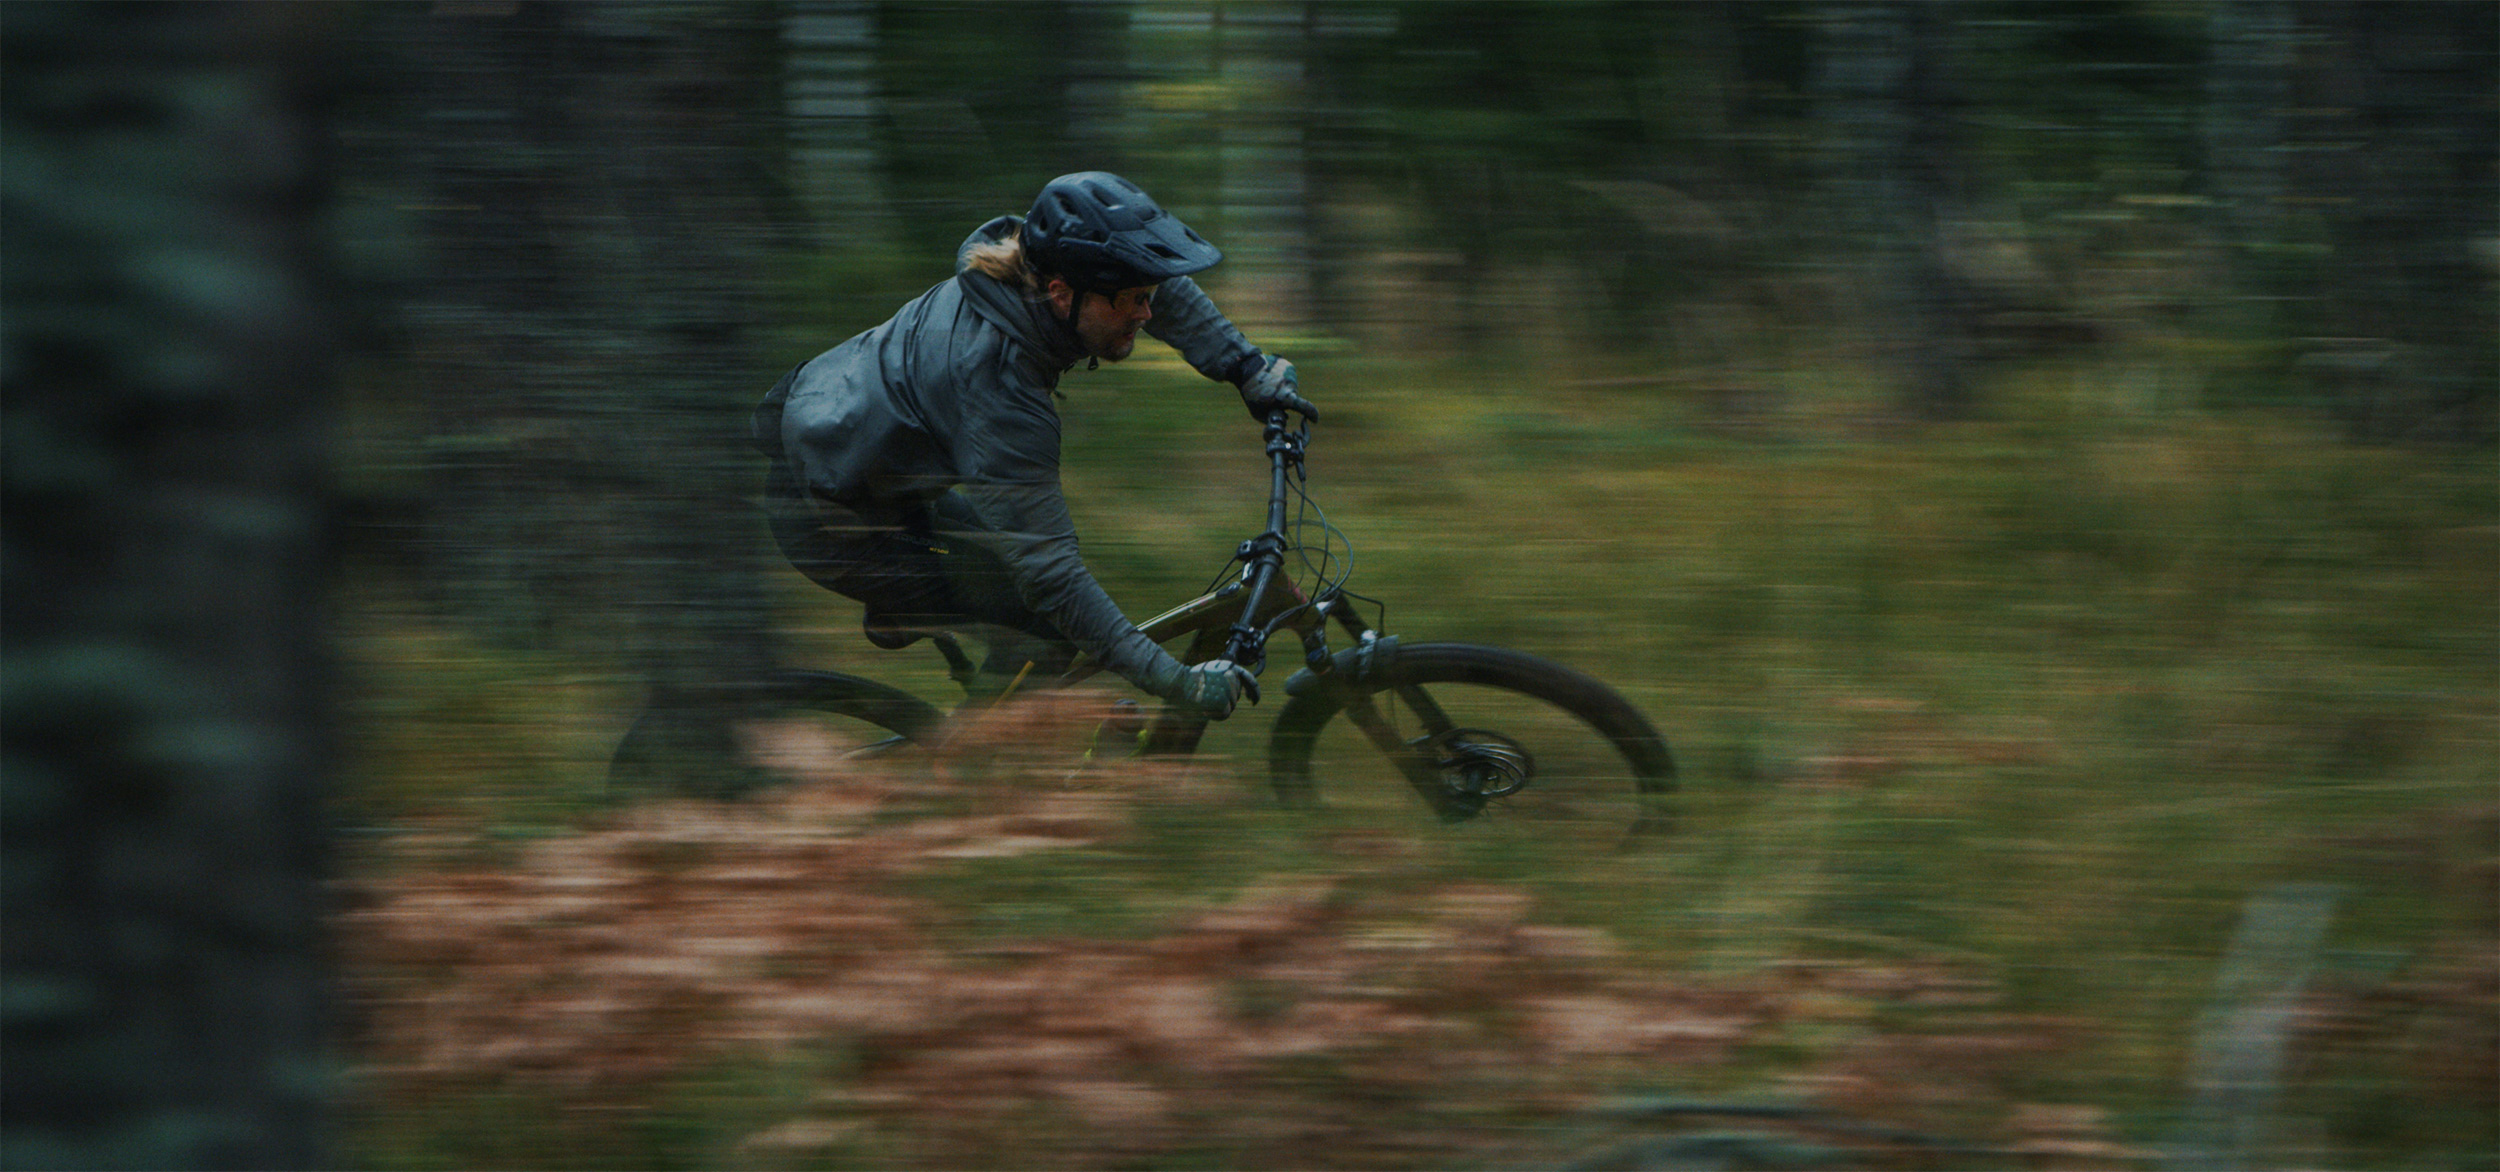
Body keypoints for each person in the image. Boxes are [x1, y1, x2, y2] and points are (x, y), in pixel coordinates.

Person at [752, 171, 1317, 720]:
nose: (1146, 314)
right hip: (835, 522)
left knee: (1017, 597)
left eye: (1145, 296)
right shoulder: (999, 391)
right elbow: (1052, 576)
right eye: (1132, 302)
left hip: (855, 456)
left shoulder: (1032, 264)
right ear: (1061, 295)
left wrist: (1245, 367)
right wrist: (1177, 682)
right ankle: (965, 761)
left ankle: (961, 680)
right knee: (1047, 625)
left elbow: (1148, 285)